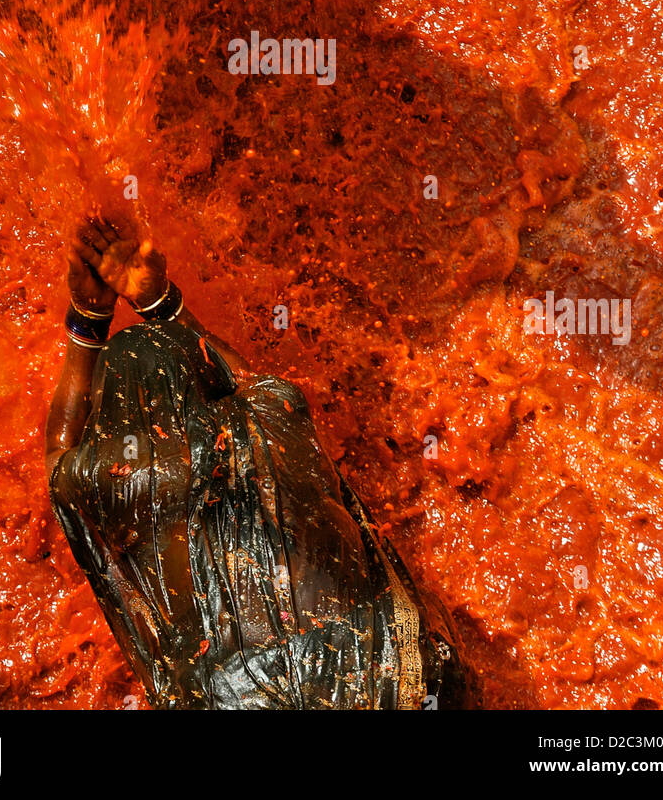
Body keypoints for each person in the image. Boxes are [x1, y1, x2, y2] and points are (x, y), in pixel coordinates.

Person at [45, 215, 475, 710]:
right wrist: (157, 298)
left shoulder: (109, 478)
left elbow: (58, 450)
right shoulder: (265, 426)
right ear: (200, 383)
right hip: (374, 673)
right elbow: (244, 378)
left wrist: (87, 320)